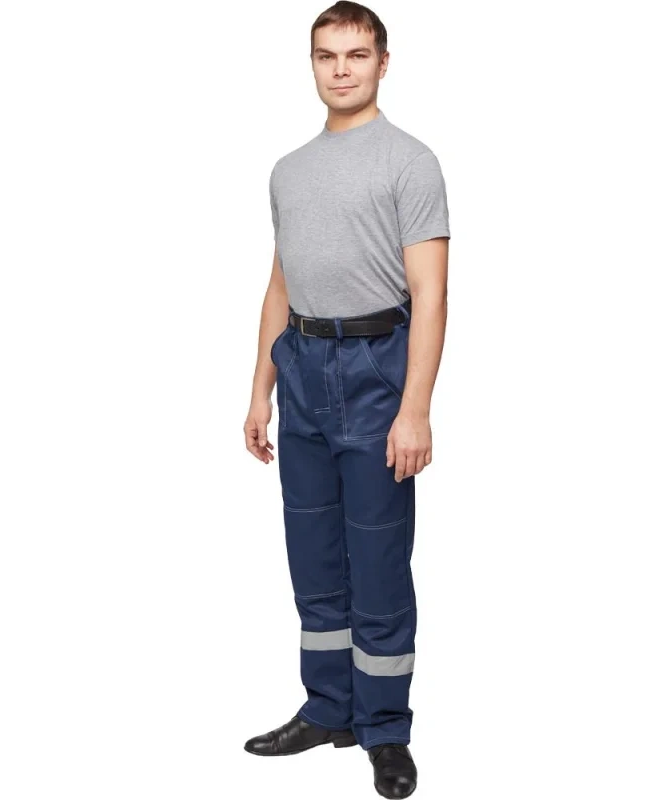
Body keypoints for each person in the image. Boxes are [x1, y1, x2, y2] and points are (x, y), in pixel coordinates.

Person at [242, 3, 450, 797]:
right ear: (312, 64)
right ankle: (328, 708)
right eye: (326, 55)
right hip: (300, 368)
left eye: (357, 55)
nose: (341, 69)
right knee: (316, 558)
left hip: (374, 372)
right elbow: (280, 284)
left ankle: (384, 730)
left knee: (378, 560)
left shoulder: (411, 162)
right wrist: (259, 390)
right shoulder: (288, 170)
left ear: (383, 63)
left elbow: (430, 294)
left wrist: (415, 407)